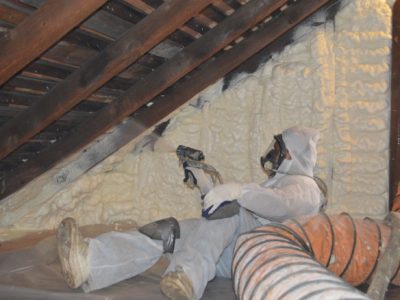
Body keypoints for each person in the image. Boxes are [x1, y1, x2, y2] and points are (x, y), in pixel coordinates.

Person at [56, 125, 325, 300]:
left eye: (279, 150)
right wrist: (204, 183)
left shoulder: (307, 188)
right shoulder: (277, 182)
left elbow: (279, 206)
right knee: (168, 231)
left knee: (226, 208)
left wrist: (237, 192)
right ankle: (91, 262)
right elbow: (225, 217)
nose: (273, 154)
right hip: (229, 250)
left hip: (257, 253)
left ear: (292, 155)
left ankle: (185, 276)